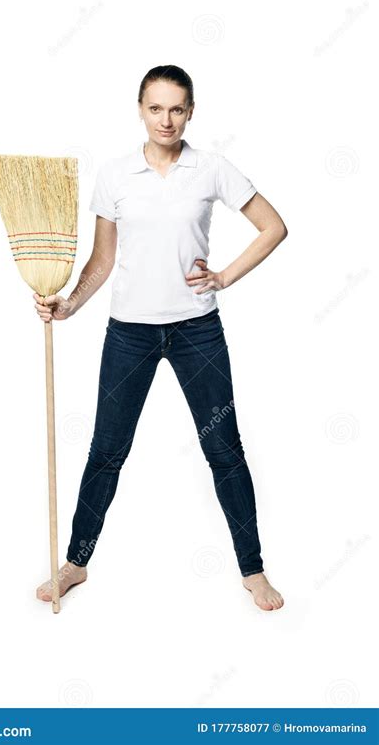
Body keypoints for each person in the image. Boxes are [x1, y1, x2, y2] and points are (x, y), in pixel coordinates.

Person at [35, 65, 287, 611]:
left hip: (198, 330)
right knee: (106, 451)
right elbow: (102, 261)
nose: (166, 119)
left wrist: (222, 277)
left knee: (225, 449)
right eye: (155, 108)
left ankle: (254, 570)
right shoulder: (116, 174)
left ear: (190, 111)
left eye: (176, 108)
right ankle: (76, 564)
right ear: (141, 110)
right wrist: (69, 305)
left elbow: (274, 227)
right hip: (130, 334)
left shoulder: (212, 168)